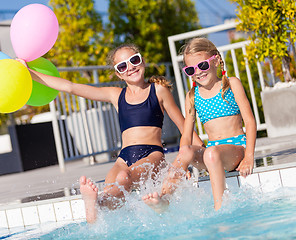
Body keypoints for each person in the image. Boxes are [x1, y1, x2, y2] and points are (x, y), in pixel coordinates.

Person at [17, 44, 204, 223]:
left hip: (152, 154)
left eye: (134, 60)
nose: (130, 67)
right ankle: (95, 204)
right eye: (123, 66)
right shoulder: (116, 95)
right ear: (118, 74)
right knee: (111, 189)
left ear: (143, 61)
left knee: (124, 177)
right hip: (124, 157)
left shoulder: (158, 90)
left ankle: (104, 202)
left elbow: (183, 125)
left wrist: (199, 153)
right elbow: (71, 87)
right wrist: (30, 74)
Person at [143, 37, 256, 212]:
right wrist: (183, 163)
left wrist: (249, 156)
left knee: (210, 153)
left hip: (236, 149)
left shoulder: (231, 84)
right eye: (190, 69)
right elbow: (187, 136)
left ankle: (220, 207)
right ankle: (164, 199)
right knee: (186, 150)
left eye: (202, 65)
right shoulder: (192, 96)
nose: (198, 72)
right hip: (212, 153)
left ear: (216, 60)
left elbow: (250, 121)